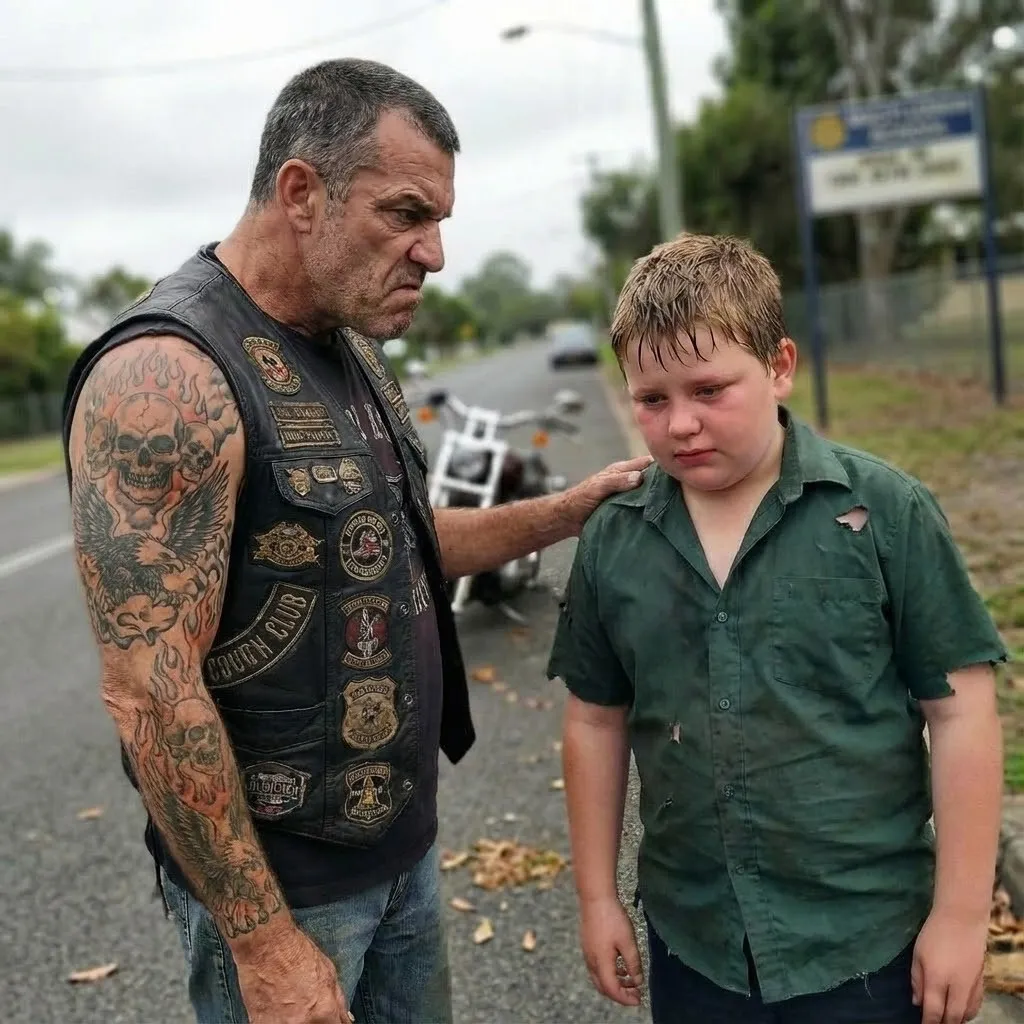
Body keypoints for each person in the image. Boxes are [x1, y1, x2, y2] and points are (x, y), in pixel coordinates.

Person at [61, 58, 650, 1024]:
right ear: (302, 193)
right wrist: (264, 945)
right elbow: (148, 690)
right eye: (406, 214)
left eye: (440, 220)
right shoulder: (167, 377)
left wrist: (568, 510)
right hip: (287, 895)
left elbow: (397, 545)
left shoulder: (352, 345)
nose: (435, 254)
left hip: (401, 852)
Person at [548, 232, 1006, 1024]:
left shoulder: (885, 513)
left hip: (866, 941)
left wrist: (962, 917)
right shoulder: (614, 539)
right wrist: (597, 898)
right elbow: (594, 719)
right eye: (652, 400)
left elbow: (961, 711)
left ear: (780, 365)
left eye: (709, 389)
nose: (681, 423)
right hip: (696, 943)